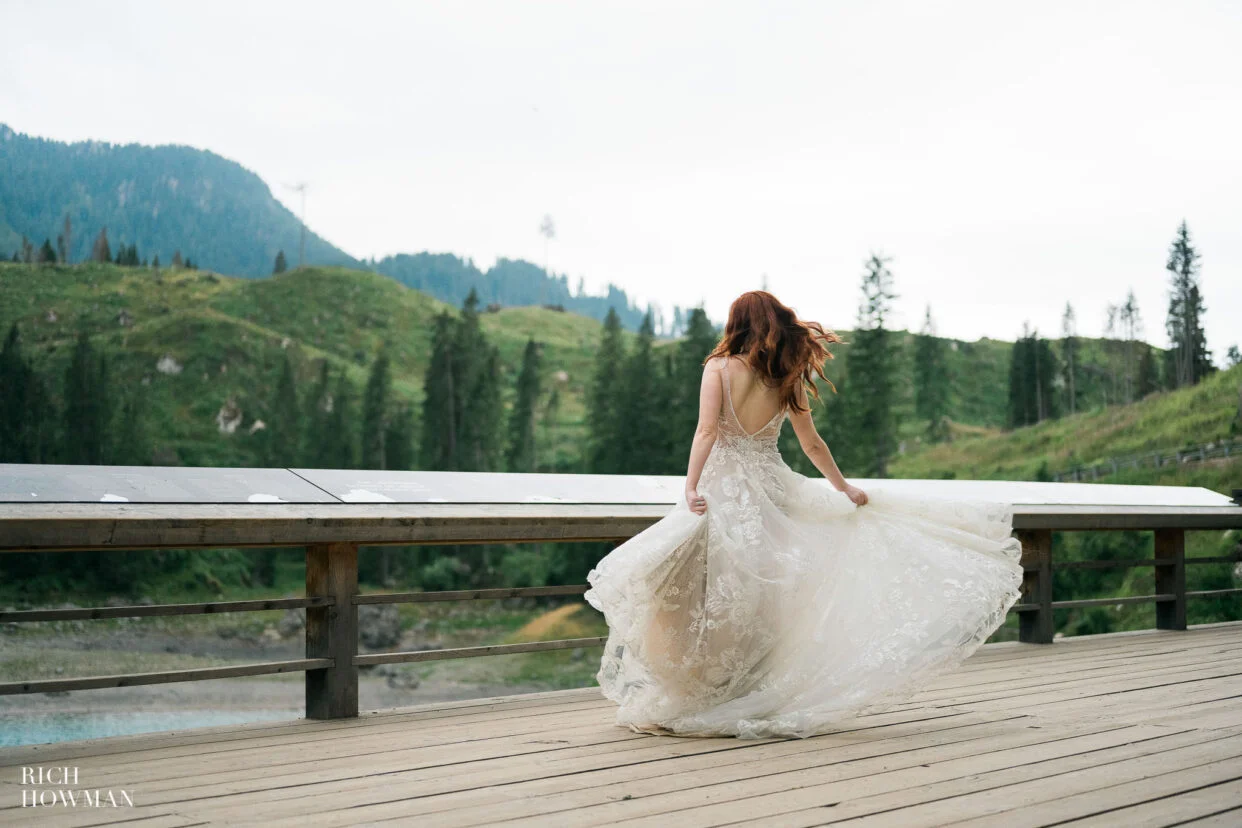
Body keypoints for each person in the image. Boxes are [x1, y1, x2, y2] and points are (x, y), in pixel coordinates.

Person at [585, 290, 1023, 739]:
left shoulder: (717, 369)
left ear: (736, 323)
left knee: (701, 589)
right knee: (761, 595)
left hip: (723, 490)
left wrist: (691, 485)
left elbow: (706, 430)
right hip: (774, 491)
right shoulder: (786, 376)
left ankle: (703, 687)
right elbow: (812, 444)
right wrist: (843, 488)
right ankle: (744, 688)